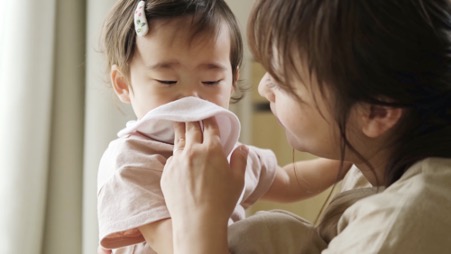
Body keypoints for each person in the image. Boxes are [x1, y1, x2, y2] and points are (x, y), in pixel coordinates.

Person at [160, 0, 451, 253]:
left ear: (377, 111)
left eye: (281, 79)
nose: (263, 88)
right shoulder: (375, 158)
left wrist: (196, 224)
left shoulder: (401, 226)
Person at [96, 0, 350, 253]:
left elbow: (288, 180)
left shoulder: (226, 152)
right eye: (167, 80)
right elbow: (175, 245)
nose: (191, 97)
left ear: (232, 81)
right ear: (123, 85)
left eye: (211, 81)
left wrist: (348, 159)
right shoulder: (131, 162)